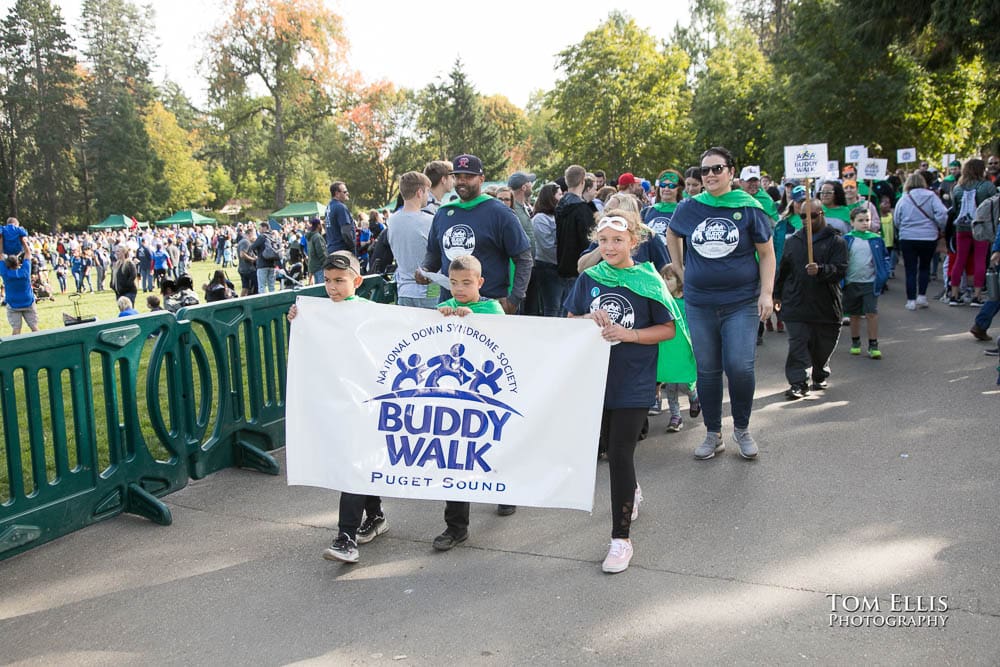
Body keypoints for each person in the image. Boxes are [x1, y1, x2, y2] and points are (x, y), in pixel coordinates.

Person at [564, 208, 676, 573]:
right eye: (603, 241)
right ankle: (633, 491)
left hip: (634, 379)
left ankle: (620, 540)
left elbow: (668, 329)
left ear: (634, 241)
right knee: (610, 447)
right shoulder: (589, 278)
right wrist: (587, 319)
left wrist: (630, 334)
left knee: (619, 453)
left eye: (617, 240)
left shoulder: (648, 280)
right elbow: (570, 321)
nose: (609, 247)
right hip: (596, 379)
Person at [666, 146, 775, 460]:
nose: (710, 175)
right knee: (707, 370)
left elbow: (767, 254)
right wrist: (679, 268)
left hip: (740, 302)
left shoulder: (749, 207)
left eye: (717, 168)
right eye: (705, 170)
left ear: (731, 172)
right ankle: (713, 433)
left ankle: (742, 428)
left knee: (739, 366)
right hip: (699, 303)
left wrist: (767, 293)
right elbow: (672, 233)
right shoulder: (690, 207)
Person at [287, 251, 388, 564]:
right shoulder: (319, 313)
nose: (332, 287)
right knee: (356, 462)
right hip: (338, 402)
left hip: (365, 402)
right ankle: (376, 516)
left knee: (352, 465)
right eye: (327, 280)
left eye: (339, 281)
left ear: (356, 281)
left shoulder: (369, 312)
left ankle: (346, 536)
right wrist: (298, 320)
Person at [428, 255, 508, 551]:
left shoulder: (492, 309)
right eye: (453, 283)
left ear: (480, 282)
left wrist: (474, 320)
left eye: (466, 283)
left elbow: (508, 340)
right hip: (455, 396)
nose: (459, 289)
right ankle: (456, 527)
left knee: (491, 446)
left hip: (488, 394)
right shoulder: (443, 309)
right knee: (457, 454)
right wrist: (442, 320)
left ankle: (505, 490)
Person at [417, 154, 532, 315]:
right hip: (450, 308)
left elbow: (524, 258)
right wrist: (425, 269)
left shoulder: (500, 213)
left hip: (488, 308)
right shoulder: (443, 213)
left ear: (481, 179)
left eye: (469, 176)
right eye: (458, 177)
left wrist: (514, 299)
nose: (462, 181)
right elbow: (434, 253)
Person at [773, 199, 848, 399]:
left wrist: (822, 270)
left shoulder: (836, 241)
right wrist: (776, 294)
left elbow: (841, 270)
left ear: (821, 214)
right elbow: (783, 270)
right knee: (798, 343)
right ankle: (798, 383)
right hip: (796, 302)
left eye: (812, 216)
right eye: (803, 216)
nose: (807, 220)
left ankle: (820, 372)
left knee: (823, 345)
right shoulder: (793, 241)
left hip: (826, 304)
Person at [894, 172, 947, 310]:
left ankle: (910, 300)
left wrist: (903, 228)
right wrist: (939, 226)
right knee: (924, 267)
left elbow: (897, 218)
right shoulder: (932, 196)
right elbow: (942, 214)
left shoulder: (904, 198)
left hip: (908, 236)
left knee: (910, 269)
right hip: (928, 236)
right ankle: (922, 296)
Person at [948, 158, 997, 306]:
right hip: (981, 226)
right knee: (980, 260)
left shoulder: (957, 188)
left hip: (962, 227)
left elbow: (954, 208)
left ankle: (954, 294)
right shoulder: (987, 186)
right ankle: (977, 295)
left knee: (959, 259)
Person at [843, 207, 891, 359]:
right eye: (860, 220)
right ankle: (855, 342)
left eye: (867, 220)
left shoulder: (875, 239)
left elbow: (885, 258)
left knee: (871, 313)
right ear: (852, 222)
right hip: (851, 282)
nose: (865, 223)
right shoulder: (847, 239)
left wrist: (883, 275)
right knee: (854, 314)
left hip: (870, 282)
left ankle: (873, 344)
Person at [388, 171, 437, 309]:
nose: (428, 196)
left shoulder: (392, 221)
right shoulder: (430, 221)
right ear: (419, 192)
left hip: (404, 290)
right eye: (427, 192)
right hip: (430, 290)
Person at [659, 264, 699, 433]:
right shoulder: (662, 300)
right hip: (668, 347)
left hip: (684, 346)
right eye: (663, 279)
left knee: (684, 383)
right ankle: (675, 417)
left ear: (680, 281)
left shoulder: (688, 302)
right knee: (670, 385)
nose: (665, 282)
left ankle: (694, 396)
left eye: (669, 279)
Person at [555, 165, 598, 296]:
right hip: (578, 266)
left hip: (563, 263)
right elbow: (588, 240)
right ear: (582, 181)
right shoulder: (582, 209)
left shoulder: (560, 205)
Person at [529, 183, 564, 317]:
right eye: (559, 194)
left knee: (561, 306)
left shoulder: (556, 216)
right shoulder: (540, 219)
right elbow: (547, 247)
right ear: (550, 197)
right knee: (552, 306)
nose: (562, 197)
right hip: (547, 266)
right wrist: (563, 259)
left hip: (558, 267)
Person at [0, 250, 39, 334]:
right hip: (28, 302)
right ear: (18, 262)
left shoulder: (5, 274)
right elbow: (28, 253)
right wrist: (23, 243)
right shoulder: (25, 271)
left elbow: (0, 255)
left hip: (13, 304)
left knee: (16, 329)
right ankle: (42, 342)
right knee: (34, 327)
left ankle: (16, 343)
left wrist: (1, 242)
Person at [643, 170, 683, 246]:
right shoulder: (647, 211)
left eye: (671, 186)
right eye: (663, 185)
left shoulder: (684, 212)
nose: (666, 189)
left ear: (679, 189)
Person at [325, 181, 356, 254]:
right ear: (337, 194)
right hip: (342, 251)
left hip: (332, 250)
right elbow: (346, 232)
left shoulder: (329, 207)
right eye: (345, 192)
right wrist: (352, 248)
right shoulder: (340, 207)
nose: (347, 193)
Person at [250, 222, 280, 294]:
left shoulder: (262, 237)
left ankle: (264, 300)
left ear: (265, 228)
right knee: (271, 286)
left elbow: (252, 247)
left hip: (262, 264)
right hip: (272, 264)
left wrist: (256, 252)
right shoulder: (273, 236)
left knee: (262, 286)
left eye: (260, 228)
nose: (259, 230)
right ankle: (273, 299)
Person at [237, 227, 257, 296]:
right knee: (256, 285)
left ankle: (242, 300)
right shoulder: (246, 242)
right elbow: (242, 254)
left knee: (245, 287)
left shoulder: (242, 241)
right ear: (250, 233)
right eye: (254, 233)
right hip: (249, 268)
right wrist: (253, 259)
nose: (255, 235)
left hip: (242, 268)